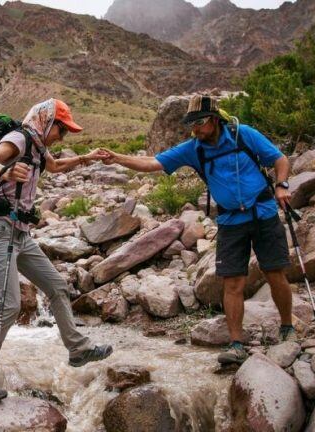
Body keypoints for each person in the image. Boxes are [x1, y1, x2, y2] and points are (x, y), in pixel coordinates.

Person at [100, 95, 297, 365]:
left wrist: (282, 185)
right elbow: (152, 163)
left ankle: (288, 327)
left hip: (263, 213)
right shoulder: (194, 148)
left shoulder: (243, 135)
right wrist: (116, 158)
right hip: (230, 222)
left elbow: (280, 160)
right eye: (192, 125)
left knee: (275, 273)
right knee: (232, 282)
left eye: (200, 123)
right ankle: (237, 344)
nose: (195, 130)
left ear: (215, 120)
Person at [0, 99, 113, 401]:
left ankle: (78, 350)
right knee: (9, 306)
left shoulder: (39, 148)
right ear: (46, 120)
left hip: (21, 233)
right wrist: (6, 170)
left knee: (57, 287)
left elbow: (54, 166)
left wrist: (87, 158)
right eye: (61, 129)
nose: (61, 136)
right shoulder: (19, 138)